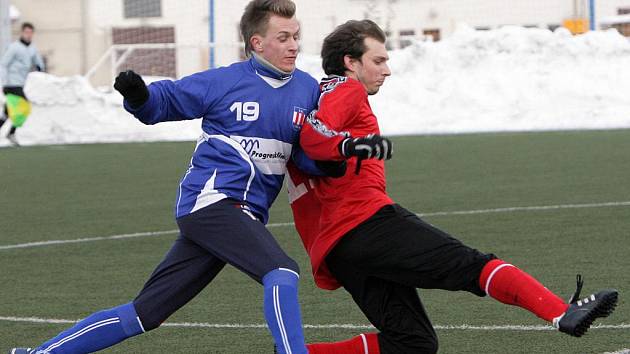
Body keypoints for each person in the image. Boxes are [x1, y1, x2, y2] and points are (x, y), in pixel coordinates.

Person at [9, 1, 345, 353]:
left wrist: (330, 162)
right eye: (284, 37)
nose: (294, 45)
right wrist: (140, 97)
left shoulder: (307, 90)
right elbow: (166, 100)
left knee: (146, 312)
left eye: (296, 36)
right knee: (282, 273)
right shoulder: (226, 81)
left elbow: (307, 152)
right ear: (258, 43)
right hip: (212, 203)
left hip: (238, 216)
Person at [287, 19, 619, 354]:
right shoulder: (348, 89)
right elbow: (315, 137)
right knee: (472, 265)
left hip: (342, 247)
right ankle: (561, 312)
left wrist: (339, 147)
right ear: (350, 62)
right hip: (366, 223)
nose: (386, 70)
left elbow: (310, 142)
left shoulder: (322, 95)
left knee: (413, 342)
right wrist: (346, 146)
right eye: (378, 60)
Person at [0, 22, 45, 146]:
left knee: (8, 113)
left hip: (20, 84)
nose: (28, 35)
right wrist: (3, 83)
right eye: (26, 32)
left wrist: (40, 67)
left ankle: (11, 133)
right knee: (25, 107)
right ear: (22, 33)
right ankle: (11, 133)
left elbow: (39, 62)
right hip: (11, 84)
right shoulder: (14, 47)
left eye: (31, 32)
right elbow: (3, 64)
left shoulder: (32, 48)